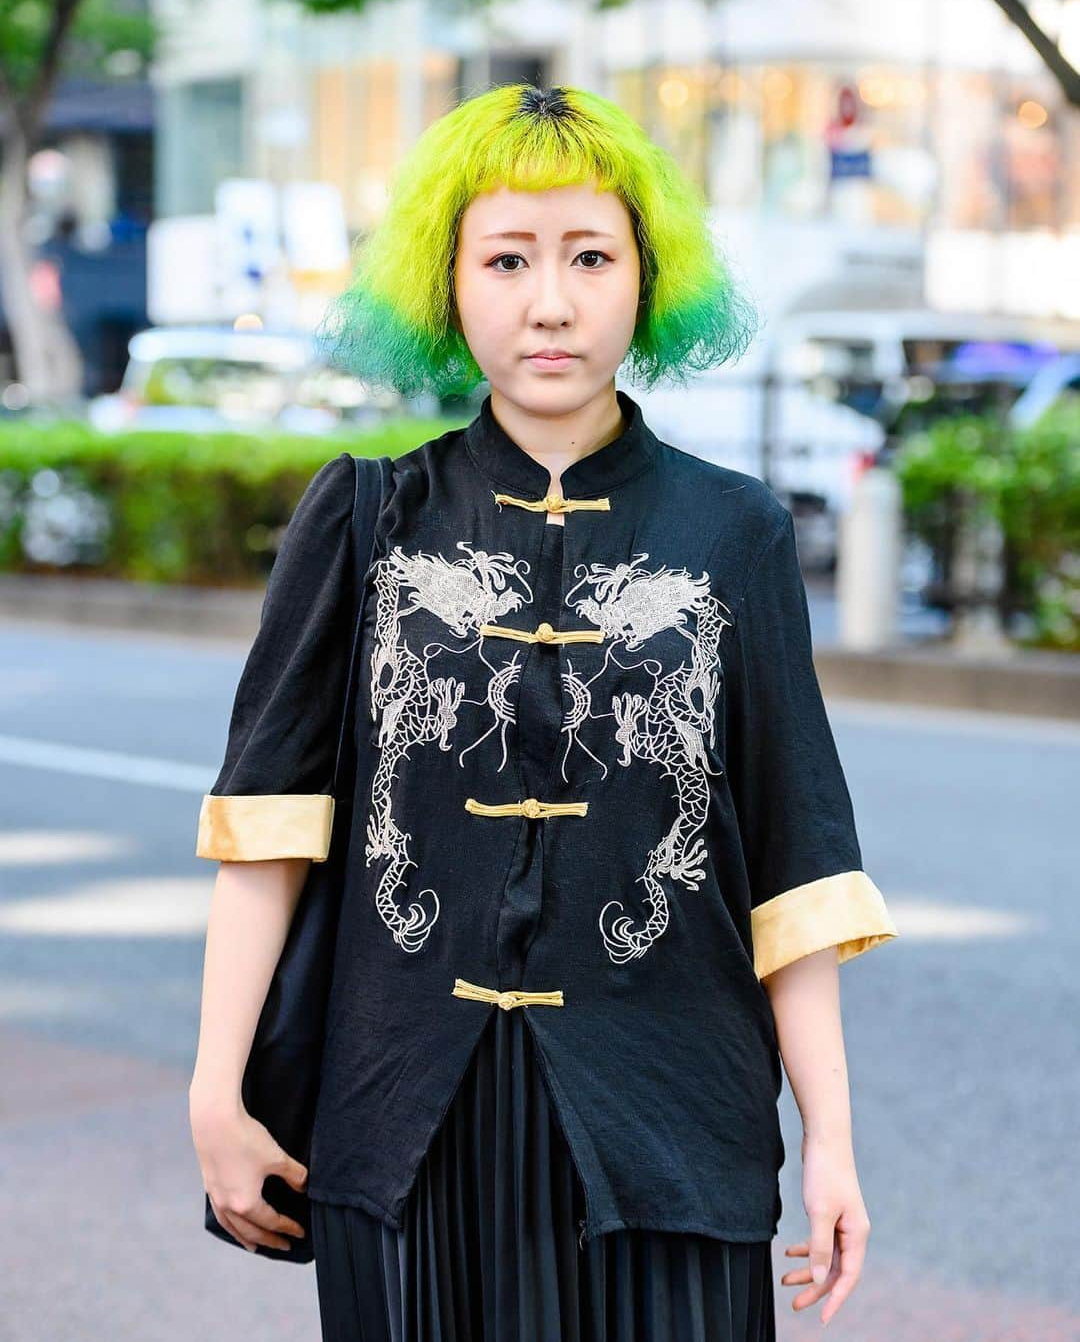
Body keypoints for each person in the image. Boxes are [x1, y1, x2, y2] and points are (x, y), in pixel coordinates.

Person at [189, 82, 899, 1341]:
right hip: (403, 1122)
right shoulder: (364, 519)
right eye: (506, 258)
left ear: (648, 277)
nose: (551, 301)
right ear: (446, 286)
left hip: (672, 1129)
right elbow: (270, 832)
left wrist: (832, 1141)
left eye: (590, 256)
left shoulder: (735, 533)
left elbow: (793, 864)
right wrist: (214, 1094)